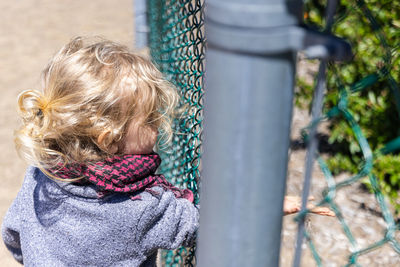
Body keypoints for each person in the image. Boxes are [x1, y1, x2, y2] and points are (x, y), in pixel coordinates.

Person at [2, 37, 333, 266]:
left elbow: (13, 235)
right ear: (107, 138)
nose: (159, 125)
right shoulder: (144, 208)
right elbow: (213, 223)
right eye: (149, 118)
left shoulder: (42, 176)